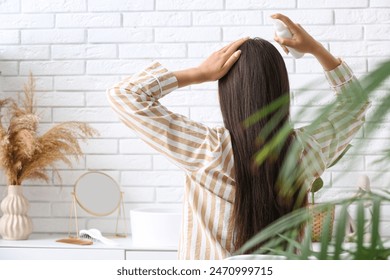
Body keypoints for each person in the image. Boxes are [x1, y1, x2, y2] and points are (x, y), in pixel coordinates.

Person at [107, 14, 370, 259]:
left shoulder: (207, 150)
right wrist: (315, 49)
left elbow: (125, 96)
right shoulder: (304, 152)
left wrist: (199, 73)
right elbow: (354, 105)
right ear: (281, 91)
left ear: (226, 93)